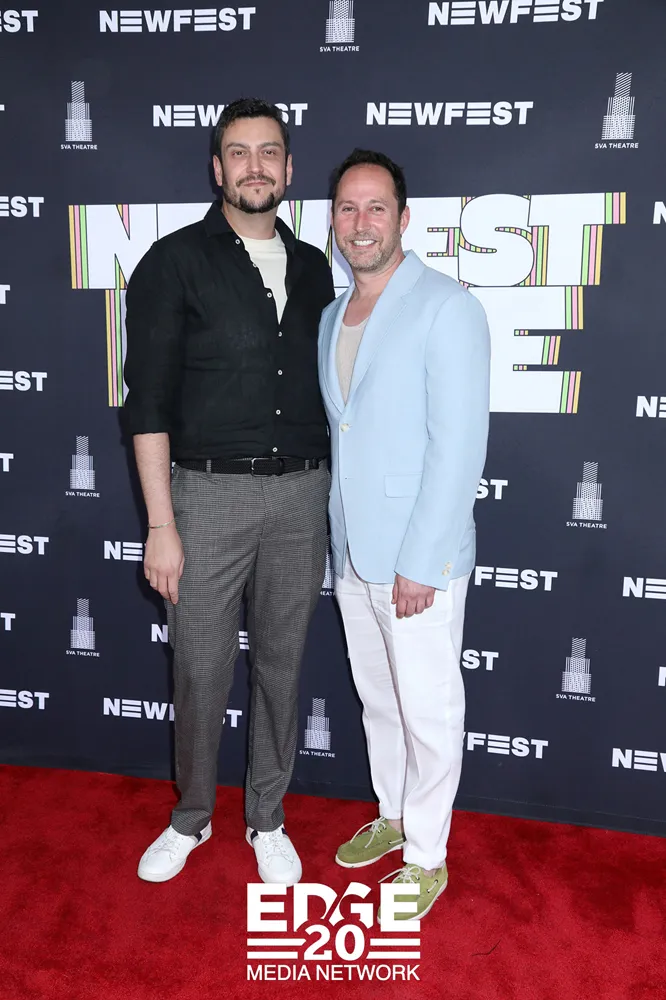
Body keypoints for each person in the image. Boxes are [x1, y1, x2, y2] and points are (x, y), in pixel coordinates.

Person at [123, 98, 334, 886]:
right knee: (201, 670)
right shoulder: (174, 261)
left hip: (302, 496)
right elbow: (146, 403)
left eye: (268, 152)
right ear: (217, 169)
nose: (254, 166)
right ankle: (191, 817)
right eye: (238, 153)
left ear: (288, 168)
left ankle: (267, 817)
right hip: (206, 497)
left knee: (281, 666)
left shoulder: (315, 267)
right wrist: (161, 524)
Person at [318, 149, 490, 920]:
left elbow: (457, 449)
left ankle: (426, 855)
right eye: (347, 208)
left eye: (375, 207)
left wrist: (424, 560)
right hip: (353, 551)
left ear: (403, 219)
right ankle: (390, 814)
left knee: (426, 708)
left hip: (418, 558)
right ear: (332, 221)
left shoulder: (445, 307)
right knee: (378, 701)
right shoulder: (332, 316)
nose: (361, 223)